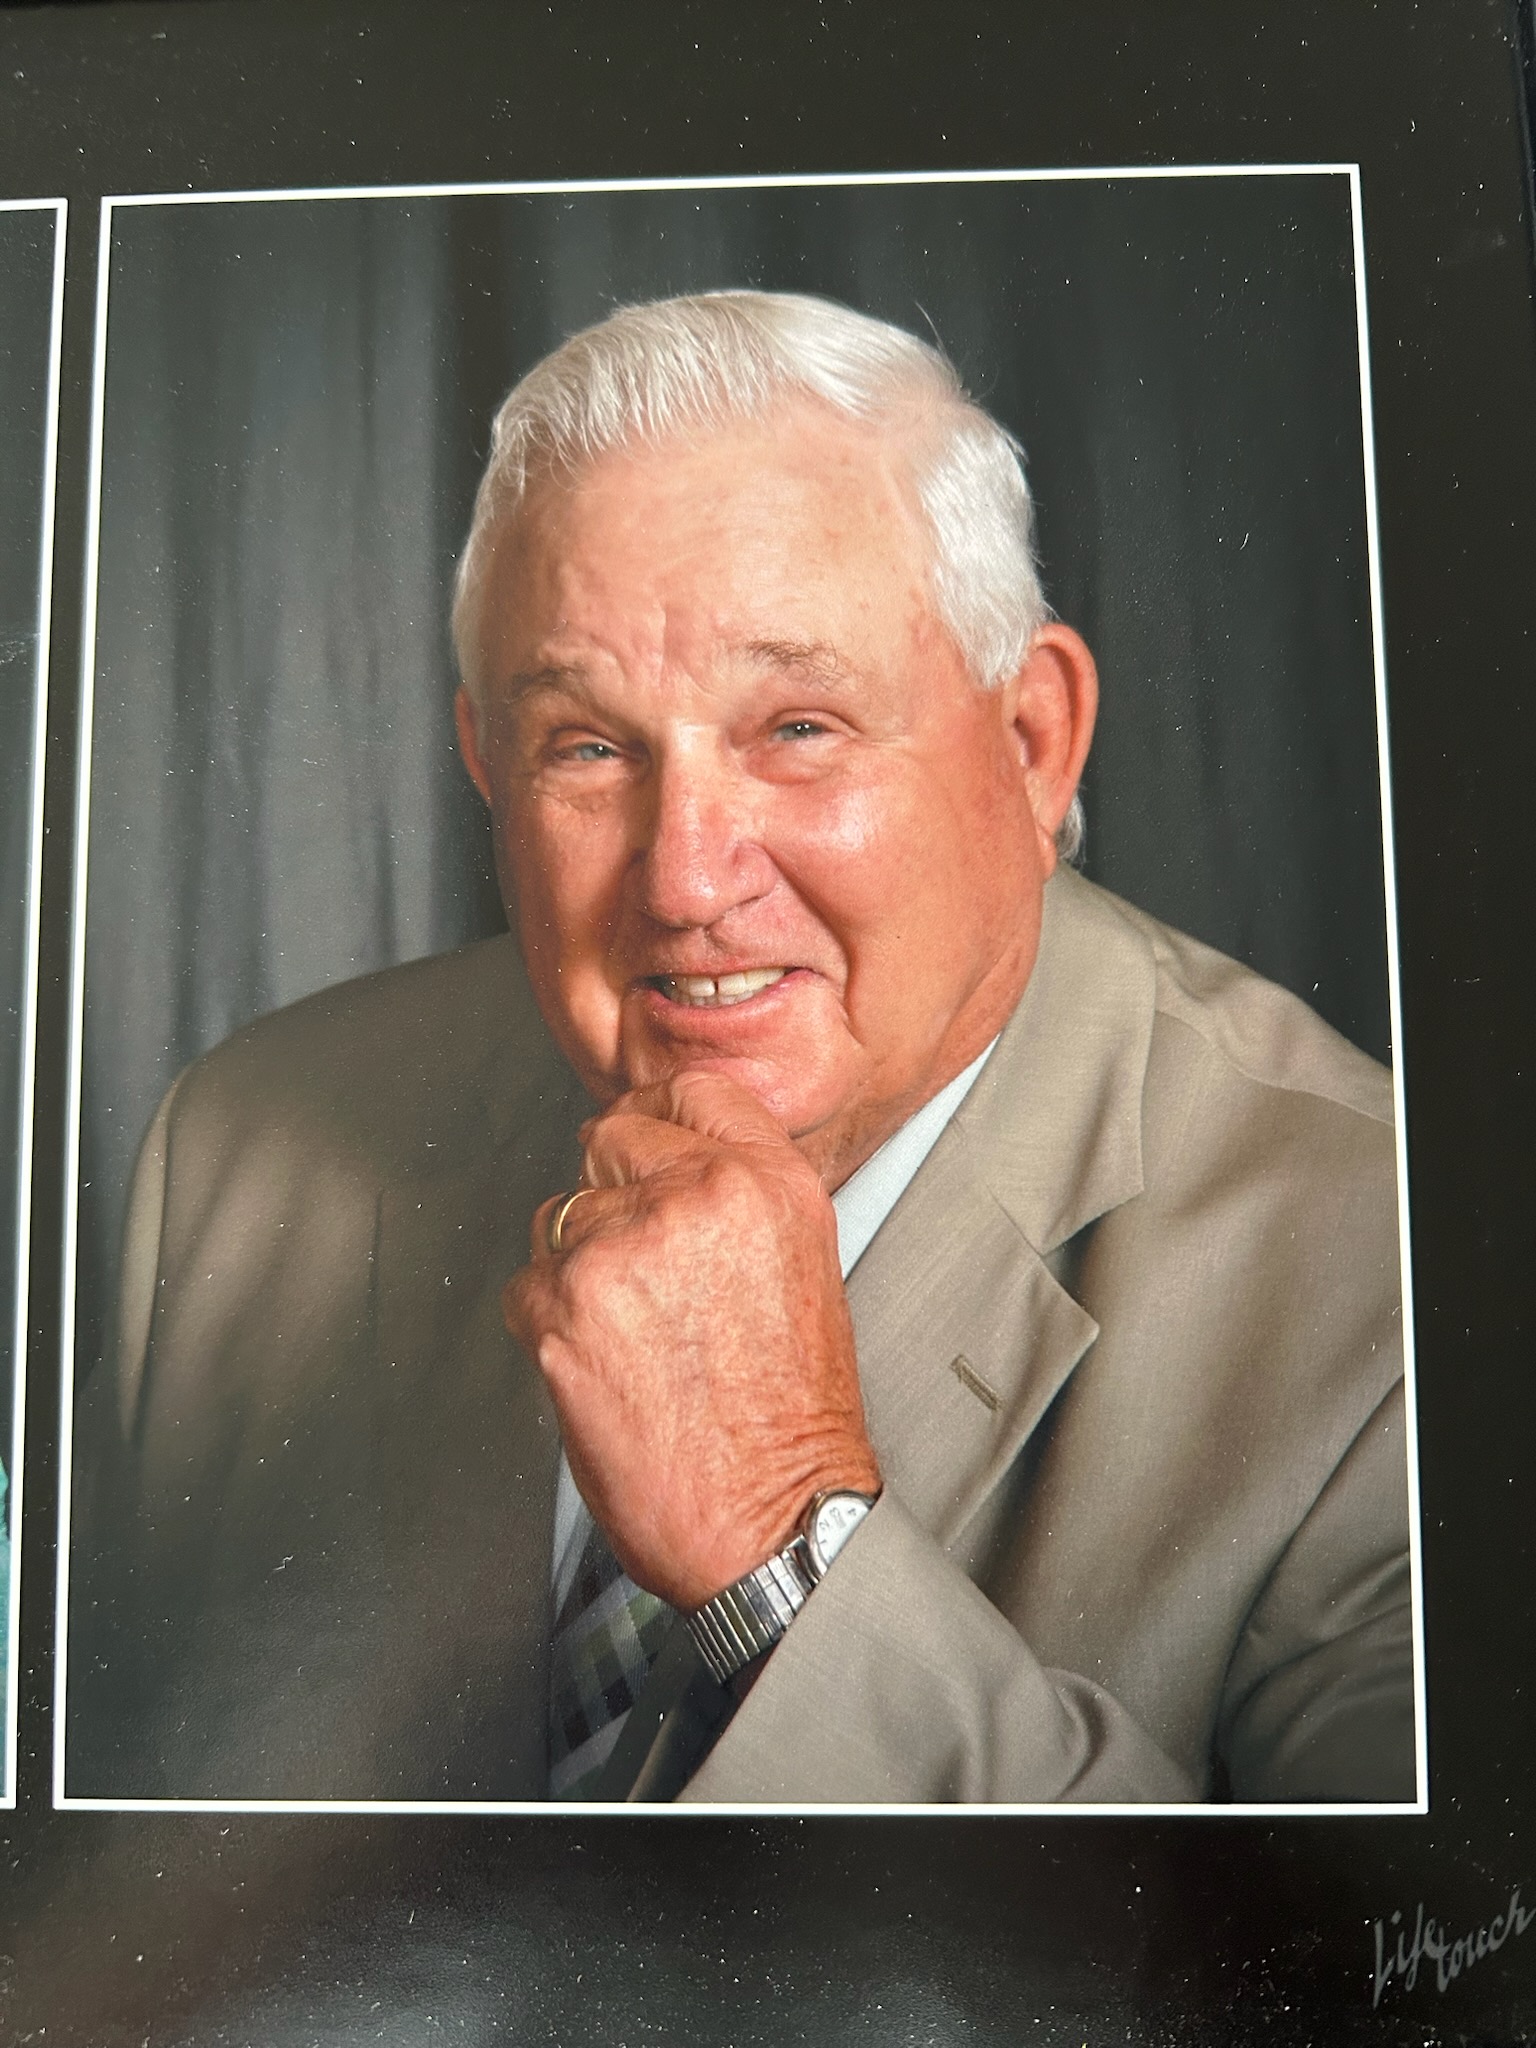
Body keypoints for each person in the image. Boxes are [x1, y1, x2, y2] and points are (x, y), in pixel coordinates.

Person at [67, 291, 1415, 1805]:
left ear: (1032, 741)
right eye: (589, 747)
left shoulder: (1391, 1302)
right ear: (486, 767)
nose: (688, 880)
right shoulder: (241, 1161)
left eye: (799, 729)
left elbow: (1343, 1954)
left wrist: (782, 1556)